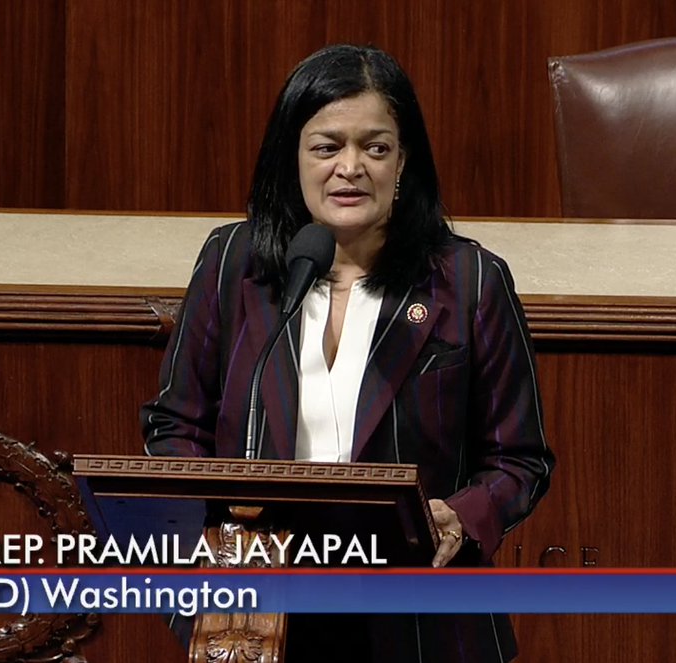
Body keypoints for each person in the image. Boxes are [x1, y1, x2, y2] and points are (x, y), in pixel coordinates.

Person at [141, 44, 554, 663]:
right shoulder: (235, 263)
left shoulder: (469, 281)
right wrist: (214, 526)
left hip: (418, 613)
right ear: (294, 157)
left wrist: (461, 515)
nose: (350, 167)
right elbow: (175, 424)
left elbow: (520, 459)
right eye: (327, 146)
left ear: (403, 159)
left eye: (375, 147)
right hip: (256, 607)